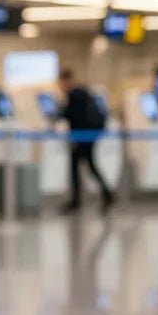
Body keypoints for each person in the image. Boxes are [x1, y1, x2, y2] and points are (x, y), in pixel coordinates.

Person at [58, 69, 114, 214]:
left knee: (77, 168)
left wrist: (74, 138)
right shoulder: (84, 92)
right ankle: (106, 193)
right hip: (89, 136)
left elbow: (72, 117)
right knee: (90, 166)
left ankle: (77, 201)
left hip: (81, 137)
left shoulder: (74, 95)